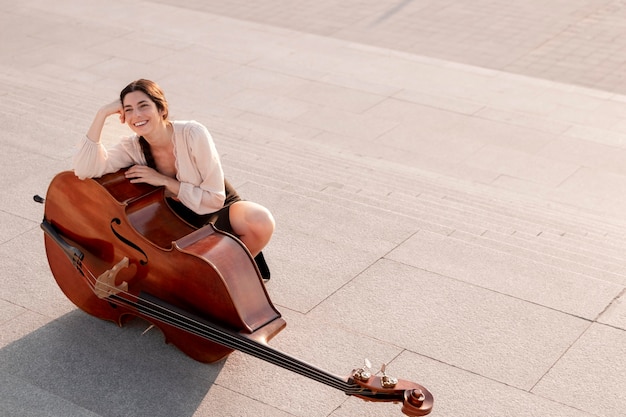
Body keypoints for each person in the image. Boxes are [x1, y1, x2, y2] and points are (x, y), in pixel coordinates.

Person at [73, 79, 274, 280]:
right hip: (174, 218)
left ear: (161, 109)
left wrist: (165, 181)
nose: (137, 115)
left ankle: (231, 275)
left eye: (143, 106)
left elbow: (214, 198)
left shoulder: (193, 134)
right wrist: (102, 113)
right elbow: (85, 169)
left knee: (260, 220)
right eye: (129, 110)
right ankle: (205, 279)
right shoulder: (131, 147)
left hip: (214, 206)